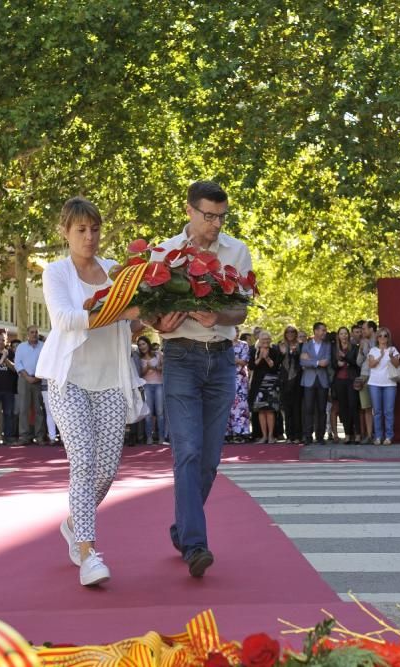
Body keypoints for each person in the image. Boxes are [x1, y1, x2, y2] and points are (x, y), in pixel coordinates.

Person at [37, 196, 143, 587]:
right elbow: (65, 320)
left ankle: (72, 522)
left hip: (111, 380)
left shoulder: (117, 270)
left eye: (95, 229)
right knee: (82, 459)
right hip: (68, 381)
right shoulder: (56, 272)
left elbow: (131, 323)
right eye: (81, 229)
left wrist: (146, 320)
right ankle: (87, 552)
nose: (90, 236)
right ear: (64, 232)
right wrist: (121, 312)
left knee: (107, 469)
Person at [150, 180, 252, 578]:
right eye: (209, 216)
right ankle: (195, 545)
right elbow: (149, 313)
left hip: (222, 361)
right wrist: (160, 321)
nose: (215, 224)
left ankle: (181, 528)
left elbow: (240, 311)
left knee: (209, 461)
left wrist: (220, 316)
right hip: (180, 358)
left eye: (221, 217)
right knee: (188, 452)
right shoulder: (163, 253)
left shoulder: (236, 251)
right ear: (190, 211)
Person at [366, 327, 400, 445]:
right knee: (377, 411)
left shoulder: (393, 349)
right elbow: (371, 365)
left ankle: (388, 436)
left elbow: (397, 365)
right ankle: (378, 436)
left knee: (388, 411)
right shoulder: (373, 350)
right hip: (375, 383)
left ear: (388, 338)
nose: (382, 338)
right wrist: (381, 355)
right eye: (380, 336)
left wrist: (391, 356)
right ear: (377, 337)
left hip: (390, 384)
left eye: (385, 336)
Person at [300, 322, 332, 445]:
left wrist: (311, 361)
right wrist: (318, 363)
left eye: (325, 330)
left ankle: (320, 436)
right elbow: (302, 362)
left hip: (322, 381)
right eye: (322, 330)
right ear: (315, 331)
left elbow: (327, 361)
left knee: (321, 410)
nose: (324, 332)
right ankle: (308, 436)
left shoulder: (327, 345)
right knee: (308, 409)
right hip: (308, 381)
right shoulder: (306, 345)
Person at [249, 330, 282, 443]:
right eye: (263, 339)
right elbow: (251, 366)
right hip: (258, 383)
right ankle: (263, 436)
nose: (266, 341)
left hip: (271, 383)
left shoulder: (275, 351)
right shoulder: (254, 350)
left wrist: (267, 358)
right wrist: (260, 358)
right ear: (259, 340)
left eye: (268, 339)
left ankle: (271, 436)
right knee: (261, 410)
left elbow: (275, 368)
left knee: (270, 410)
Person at [14, 326, 46, 445]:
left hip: (39, 379)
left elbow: (46, 362)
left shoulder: (43, 346)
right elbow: (18, 363)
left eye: (36, 332)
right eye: (32, 332)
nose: (34, 334)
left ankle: (40, 437)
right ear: (27, 334)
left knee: (39, 409)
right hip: (24, 379)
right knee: (23, 409)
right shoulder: (21, 347)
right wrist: (27, 377)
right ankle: (24, 437)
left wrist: (37, 377)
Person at [330, 326, 360, 444]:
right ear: (338, 336)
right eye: (341, 334)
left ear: (349, 335)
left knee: (353, 406)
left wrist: (345, 357)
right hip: (339, 380)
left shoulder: (354, 348)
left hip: (351, 379)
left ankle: (357, 434)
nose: (344, 336)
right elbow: (332, 364)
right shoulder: (334, 348)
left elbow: (356, 363)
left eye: (345, 333)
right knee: (343, 408)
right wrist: (338, 364)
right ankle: (347, 434)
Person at [0, 332, 18, 445]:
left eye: (3, 340)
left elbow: (15, 369)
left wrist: (5, 359)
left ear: (6, 342)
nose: (1, 342)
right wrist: (0, 359)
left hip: (8, 389)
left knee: (8, 414)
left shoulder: (10, 353)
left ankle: (8, 437)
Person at [136, 336, 166, 445]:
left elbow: (165, 368)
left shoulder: (158, 355)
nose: (142, 346)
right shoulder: (139, 358)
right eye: (139, 345)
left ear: (148, 344)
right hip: (146, 385)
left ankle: (161, 437)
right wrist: (147, 368)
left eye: (143, 344)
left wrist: (157, 368)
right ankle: (149, 437)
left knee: (160, 412)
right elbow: (139, 375)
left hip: (159, 385)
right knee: (148, 413)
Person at [278, 326, 302, 442]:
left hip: (297, 380)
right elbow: (277, 362)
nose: (290, 333)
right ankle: (289, 435)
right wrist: (283, 353)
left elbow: (301, 361)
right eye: (288, 332)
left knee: (297, 409)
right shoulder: (280, 345)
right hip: (284, 380)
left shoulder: (300, 345)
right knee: (287, 410)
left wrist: (295, 352)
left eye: (293, 332)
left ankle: (297, 435)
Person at [226, 332, 252, 442]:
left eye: (236, 331)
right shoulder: (223, 344)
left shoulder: (244, 345)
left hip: (240, 379)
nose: (234, 333)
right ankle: (227, 433)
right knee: (226, 405)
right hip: (224, 378)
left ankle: (241, 432)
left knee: (240, 406)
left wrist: (231, 359)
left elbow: (245, 361)